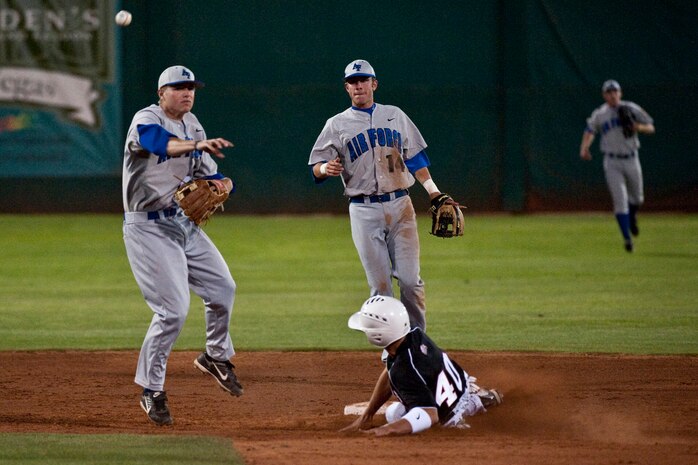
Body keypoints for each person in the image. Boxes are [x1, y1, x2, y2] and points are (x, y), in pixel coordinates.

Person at [122, 65, 243, 426]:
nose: (187, 93)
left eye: (191, 87)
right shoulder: (146, 119)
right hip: (147, 229)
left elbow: (211, 173)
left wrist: (225, 185)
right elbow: (158, 144)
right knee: (172, 310)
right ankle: (152, 390)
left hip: (182, 224)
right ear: (162, 93)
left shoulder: (194, 125)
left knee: (224, 288)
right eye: (179, 88)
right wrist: (195, 145)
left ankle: (215, 356)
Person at [308, 59, 456, 331]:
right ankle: (392, 351)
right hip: (363, 210)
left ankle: (417, 343)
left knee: (411, 282)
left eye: (363, 80)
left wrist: (434, 192)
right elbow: (314, 169)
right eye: (353, 82)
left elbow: (415, 158)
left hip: (401, 205)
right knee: (380, 287)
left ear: (374, 84)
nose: (359, 86)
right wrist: (324, 168)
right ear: (346, 88)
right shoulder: (336, 124)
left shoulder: (395, 115)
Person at [341, 296, 502, 436]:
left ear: (378, 335)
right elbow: (391, 371)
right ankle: (479, 398)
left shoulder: (403, 370)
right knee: (394, 413)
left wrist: (383, 430)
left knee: (397, 419)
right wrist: (367, 416)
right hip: (461, 390)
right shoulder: (413, 336)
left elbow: (430, 414)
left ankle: (470, 413)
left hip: (452, 416)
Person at [579, 79, 655, 252]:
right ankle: (627, 239)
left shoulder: (632, 108)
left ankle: (632, 217)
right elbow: (590, 130)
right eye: (609, 92)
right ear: (604, 95)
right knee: (620, 202)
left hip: (631, 158)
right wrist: (584, 148)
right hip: (612, 162)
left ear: (620, 93)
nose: (612, 95)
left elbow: (651, 127)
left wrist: (638, 127)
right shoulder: (600, 114)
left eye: (615, 91)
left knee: (637, 198)